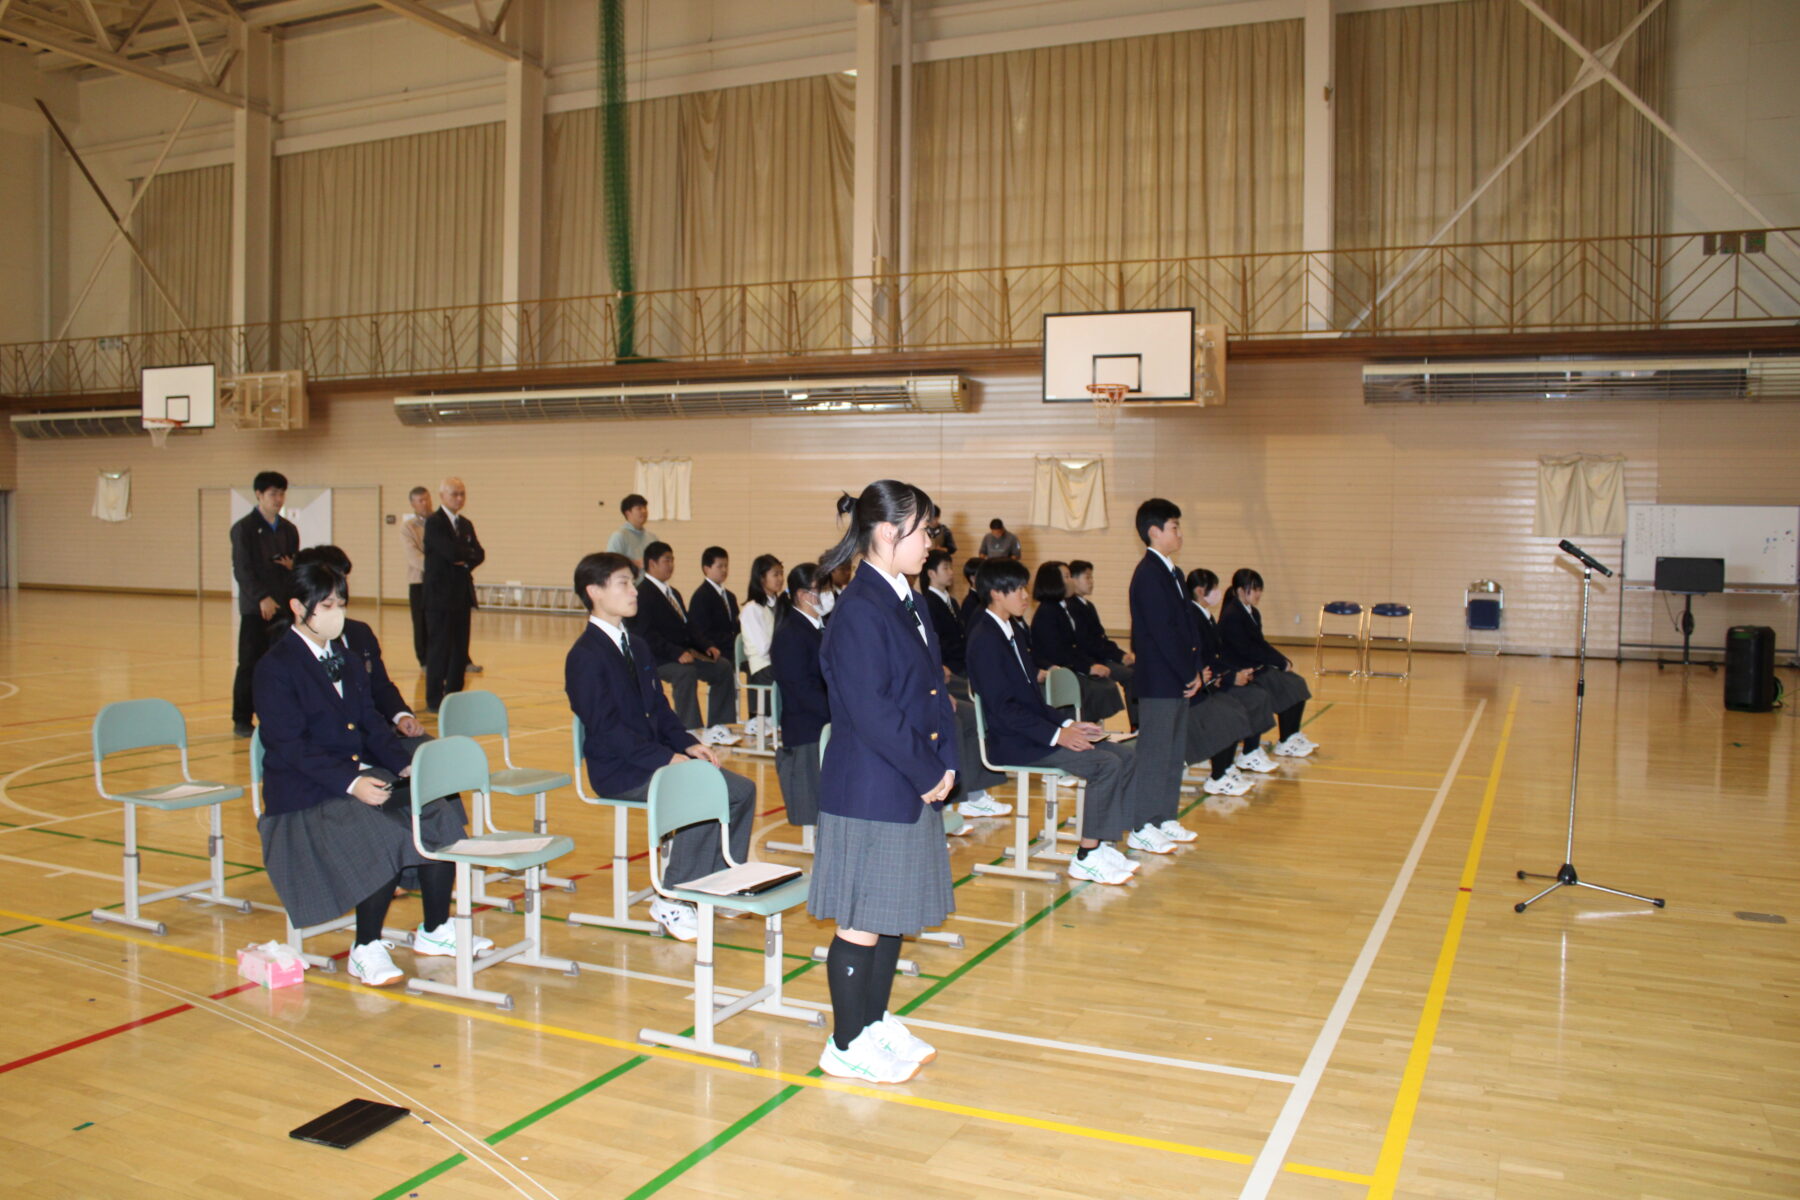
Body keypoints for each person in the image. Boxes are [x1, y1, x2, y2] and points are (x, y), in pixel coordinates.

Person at [253, 559, 479, 987]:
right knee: (383, 833)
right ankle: (365, 947)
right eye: (327, 605)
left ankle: (435, 929)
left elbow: (372, 724)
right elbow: (289, 745)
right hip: (305, 796)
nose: (337, 612)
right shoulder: (275, 667)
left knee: (438, 809)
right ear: (298, 607)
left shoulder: (348, 659)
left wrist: (405, 764)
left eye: (340, 603)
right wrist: (351, 782)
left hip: (357, 774)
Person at [812, 481, 955, 1084]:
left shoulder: (907, 599)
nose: (932, 543)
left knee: (889, 913)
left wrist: (947, 761)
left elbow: (934, 689)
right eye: (925, 531)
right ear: (888, 532)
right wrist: (928, 771)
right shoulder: (859, 609)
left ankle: (871, 1022)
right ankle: (845, 1043)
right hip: (872, 788)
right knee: (861, 921)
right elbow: (872, 711)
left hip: (907, 780)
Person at [565, 551, 756, 942]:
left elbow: (660, 709)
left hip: (656, 760)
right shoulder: (584, 656)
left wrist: (689, 745)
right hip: (621, 770)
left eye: (632, 583)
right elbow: (608, 730)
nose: (633, 591)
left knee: (741, 790)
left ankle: (715, 882)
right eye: (623, 583)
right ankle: (672, 896)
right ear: (594, 592)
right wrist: (667, 758)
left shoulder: (636, 645)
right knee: (699, 791)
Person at [967, 558, 1138, 885]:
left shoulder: (1013, 630)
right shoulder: (985, 639)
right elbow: (1004, 710)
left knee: (1125, 756)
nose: (1025, 595)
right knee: (1105, 764)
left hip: (1033, 733)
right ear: (996, 593)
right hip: (1013, 742)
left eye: (1024, 587)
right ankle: (1086, 856)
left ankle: (1103, 845)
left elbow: (1032, 700)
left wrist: (1067, 725)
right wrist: (1056, 736)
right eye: (1017, 589)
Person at [293, 545, 429, 748]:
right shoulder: (285, 655)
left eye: (342, 579)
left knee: (432, 755)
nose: (341, 586)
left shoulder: (360, 633)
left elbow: (380, 686)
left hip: (374, 735)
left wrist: (401, 716)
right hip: (333, 746)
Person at [1126, 498, 1201, 855]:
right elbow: (1162, 632)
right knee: (1155, 754)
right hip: (1160, 680)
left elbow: (1187, 625)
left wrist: (1196, 668)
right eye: (1174, 527)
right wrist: (1187, 671)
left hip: (1178, 677)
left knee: (1173, 753)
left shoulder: (1174, 573)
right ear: (1154, 532)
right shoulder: (1148, 575)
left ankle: (1165, 816)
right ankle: (1142, 824)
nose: (1180, 533)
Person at [920, 549, 1006, 819]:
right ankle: (964, 795)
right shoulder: (927, 602)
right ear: (930, 573)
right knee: (965, 715)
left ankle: (976, 791)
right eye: (945, 568)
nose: (950, 572)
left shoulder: (950, 601)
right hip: (946, 671)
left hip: (951, 669)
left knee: (976, 713)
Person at [629, 541, 738, 740]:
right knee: (685, 673)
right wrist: (676, 652)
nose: (671, 565)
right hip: (657, 658)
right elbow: (645, 635)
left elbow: (689, 627)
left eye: (672, 560)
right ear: (652, 564)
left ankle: (717, 726)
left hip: (682, 654)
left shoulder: (673, 593)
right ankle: (690, 730)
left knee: (722, 667)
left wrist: (707, 646)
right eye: (666, 560)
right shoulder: (642, 594)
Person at [1187, 568, 1278, 793]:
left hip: (1214, 680)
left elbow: (1217, 656)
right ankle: (1218, 776)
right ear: (1200, 591)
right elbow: (1199, 658)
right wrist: (1227, 676)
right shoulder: (1192, 617)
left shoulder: (1205, 616)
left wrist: (1233, 672)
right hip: (1200, 688)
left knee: (1243, 702)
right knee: (1228, 712)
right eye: (1215, 588)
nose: (1219, 592)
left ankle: (1229, 766)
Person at [1218, 568, 1318, 758]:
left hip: (1257, 665)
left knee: (1297, 683)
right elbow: (1246, 650)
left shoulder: (1252, 612)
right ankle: (1285, 741)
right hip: (1244, 669)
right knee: (1286, 687)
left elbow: (1260, 643)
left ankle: (1292, 734)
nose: (1258, 594)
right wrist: (1276, 663)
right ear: (1240, 590)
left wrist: (1282, 660)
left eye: (1259, 589)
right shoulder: (1232, 615)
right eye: (1254, 589)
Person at [231, 470, 300, 738]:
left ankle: (275, 715)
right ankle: (242, 718)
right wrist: (262, 597)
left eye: (282, 493)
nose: (278, 499)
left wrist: (294, 567)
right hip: (255, 609)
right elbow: (242, 569)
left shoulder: (288, 529)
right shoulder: (244, 529)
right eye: (273, 494)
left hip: (283, 607)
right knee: (250, 663)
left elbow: (293, 565)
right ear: (259, 495)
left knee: (281, 665)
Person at [1028, 560, 1126, 724]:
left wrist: (1090, 664)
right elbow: (1057, 652)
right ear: (1054, 582)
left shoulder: (1061, 608)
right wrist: (1088, 667)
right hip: (1059, 670)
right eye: (1067, 577)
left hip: (1069, 665)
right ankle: (1084, 726)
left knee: (1104, 684)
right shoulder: (1047, 611)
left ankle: (1092, 726)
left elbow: (1074, 647)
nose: (1072, 580)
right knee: (1097, 688)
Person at [769, 562, 828, 833]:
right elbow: (802, 691)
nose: (828, 595)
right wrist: (839, 713)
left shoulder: (820, 626)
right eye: (822, 590)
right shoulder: (790, 634)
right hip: (808, 727)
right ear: (804, 595)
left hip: (825, 716)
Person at [423, 477, 483, 712]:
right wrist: (464, 555)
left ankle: (454, 696)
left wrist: (464, 558)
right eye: (454, 494)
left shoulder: (465, 524)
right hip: (439, 597)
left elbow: (479, 553)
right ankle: (434, 699)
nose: (459, 498)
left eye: (462, 494)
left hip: (461, 595)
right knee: (440, 649)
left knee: (460, 649)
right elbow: (450, 552)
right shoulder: (434, 523)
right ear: (442, 496)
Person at [1067, 559, 1138, 727]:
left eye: (1092, 577)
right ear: (1074, 579)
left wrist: (1122, 655)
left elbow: (1102, 638)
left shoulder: (1088, 606)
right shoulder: (1071, 607)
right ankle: (1136, 723)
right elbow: (1088, 643)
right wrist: (1119, 657)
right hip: (1092, 660)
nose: (1091, 582)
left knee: (1138, 668)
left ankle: (1142, 720)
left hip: (1102, 656)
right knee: (1131, 675)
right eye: (1087, 577)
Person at [741, 553, 784, 735]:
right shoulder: (752, 609)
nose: (780, 579)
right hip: (762, 667)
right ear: (761, 578)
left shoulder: (779, 605)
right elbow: (763, 648)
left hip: (777, 662)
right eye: (775, 574)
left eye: (781, 574)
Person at [400, 485, 432, 668]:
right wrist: (437, 567)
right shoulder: (408, 527)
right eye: (420, 500)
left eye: (427, 499)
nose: (425, 503)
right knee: (420, 623)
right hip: (419, 581)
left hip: (439, 582)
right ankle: (424, 660)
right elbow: (414, 557)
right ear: (413, 504)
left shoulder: (438, 522)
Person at [606, 493, 656, 573]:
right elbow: (610, 563)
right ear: (628, 513)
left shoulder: (652, 537)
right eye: (639, 508)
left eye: (645, 507)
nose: (644, 511)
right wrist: (634, 563)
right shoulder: (619, 536)